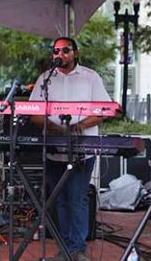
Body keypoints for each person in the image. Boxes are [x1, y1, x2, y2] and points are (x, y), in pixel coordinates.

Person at [29, 37, 113, 261]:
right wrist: (53, 128)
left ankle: (78, 249)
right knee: (60, 200)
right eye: (56, 51)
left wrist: (79, 126)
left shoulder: (90, 77)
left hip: (81, 149)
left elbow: (104, 110)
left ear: (75, 52)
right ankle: (66, 249)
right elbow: (34, 111)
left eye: (65, 50)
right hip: (53, 148)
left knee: (76, 199)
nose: (60, 55)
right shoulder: (46, 78)